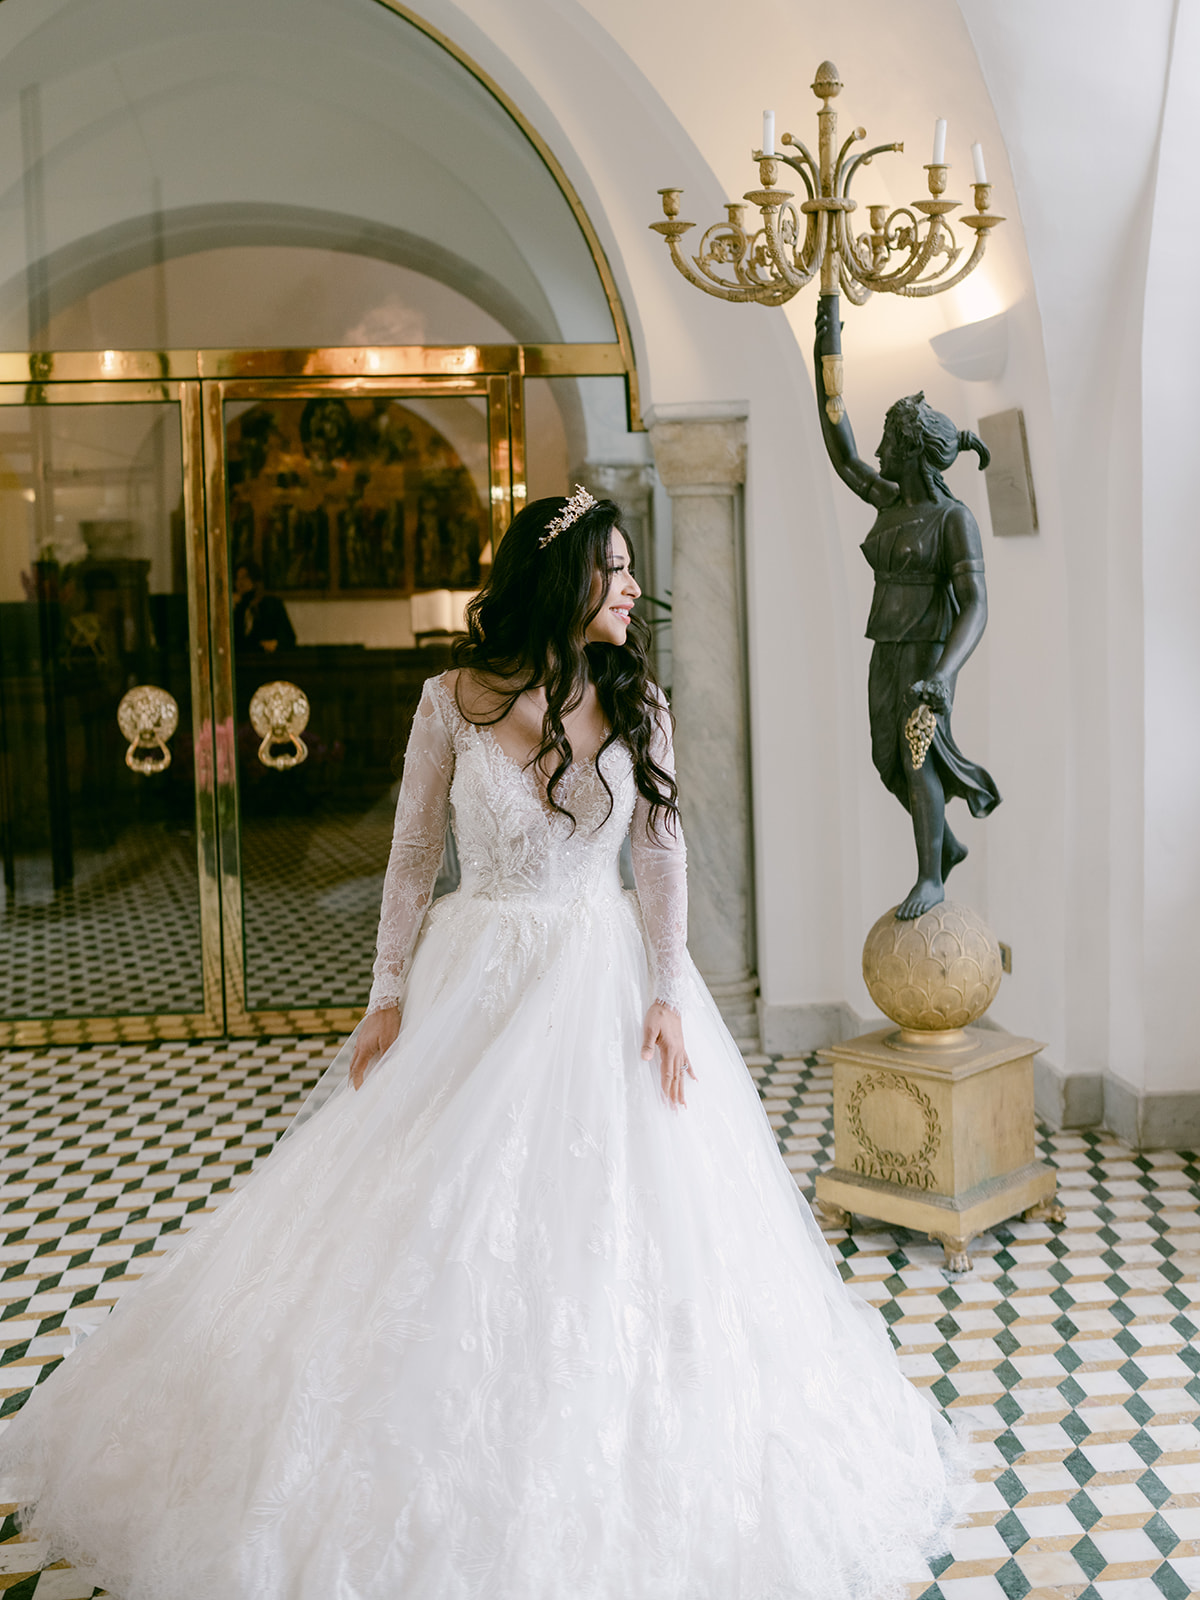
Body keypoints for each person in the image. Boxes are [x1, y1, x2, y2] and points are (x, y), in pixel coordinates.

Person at [0, 488, 971, 1600]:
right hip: (479, 976)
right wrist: (386, 994)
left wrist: (665, 988)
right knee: (427, 1214)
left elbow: (660, 849)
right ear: (559, 582)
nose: (628, 588)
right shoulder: (446, 701)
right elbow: (413, 856)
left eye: (628, 568)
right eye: (609, 569)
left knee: (625, 1225)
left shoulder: (636, 698)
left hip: (603, 979)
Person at [815, 294, 1001, 919]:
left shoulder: (954, 519)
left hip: (926, 650)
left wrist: (945, 674)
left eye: (889, 442)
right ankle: (944, 841)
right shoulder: (891, 502)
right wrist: (827, 343)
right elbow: (841, 449)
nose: (880, 450)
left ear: (913, 449)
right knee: (887, 758)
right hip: (887, 647)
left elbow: (975, 603)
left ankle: (931, 876)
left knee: (918, 753)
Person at [232, 557, 296, 654]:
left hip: (266, 661)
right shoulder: (237, 607)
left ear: (255, 581)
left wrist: (275, 644)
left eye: (244, 578)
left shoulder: (272, 605)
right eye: (237, 578)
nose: (239, 583)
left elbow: (289, 639)